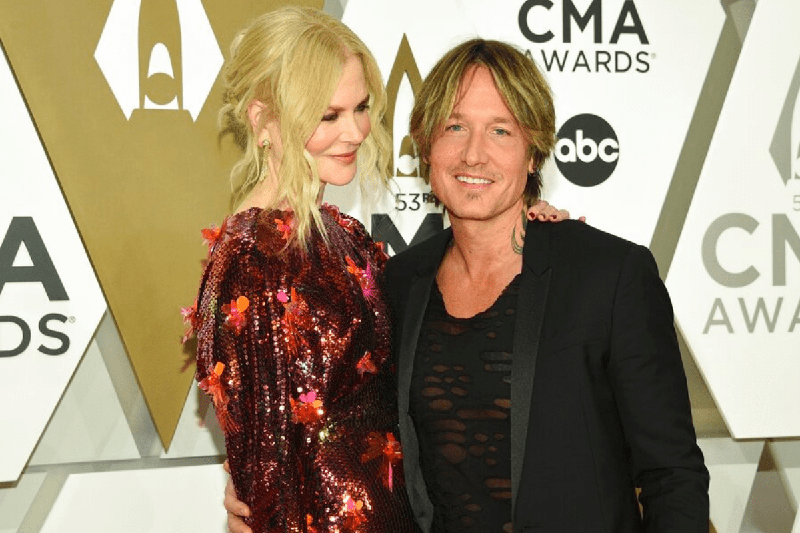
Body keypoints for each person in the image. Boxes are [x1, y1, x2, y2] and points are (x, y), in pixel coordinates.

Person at [226, 37, 709, 533]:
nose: (474, 155)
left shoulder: (608, 276)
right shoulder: (398, 283)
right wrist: (258, 483)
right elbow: (344, 423)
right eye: (455, 127)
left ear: (534, 152)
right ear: (425, 146)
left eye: (501, 130)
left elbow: (673, 477)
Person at [186, 9, 567, 533]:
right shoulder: (257, 257)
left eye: (361, 108)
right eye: (328, 116)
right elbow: (270, 465)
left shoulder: (341, 234)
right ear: (262, 120)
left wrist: (524, 224)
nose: (355, 132)